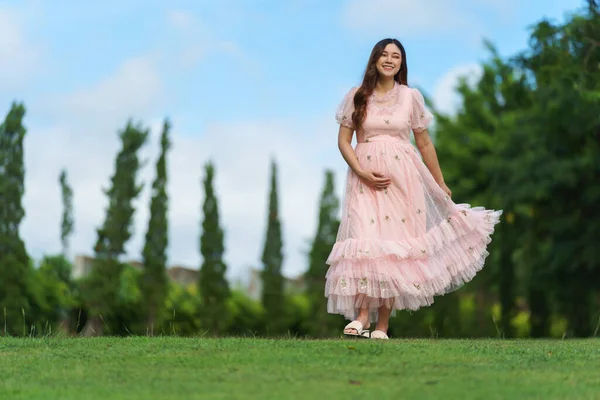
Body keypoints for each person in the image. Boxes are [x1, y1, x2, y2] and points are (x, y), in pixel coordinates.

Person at [324, 38, 502, 340]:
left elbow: (424, 142)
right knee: (365, 241)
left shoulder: (410, 97)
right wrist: (361, 171)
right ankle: (362, 317)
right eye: (384, 54)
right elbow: (344, 140)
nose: (389, 60)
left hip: (403, 179)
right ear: (374, 59)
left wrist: (440, 182)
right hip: (364, 177)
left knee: (395, 247)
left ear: (401, 63)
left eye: (396, 56)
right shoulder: (357, 96)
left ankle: (382, 325)